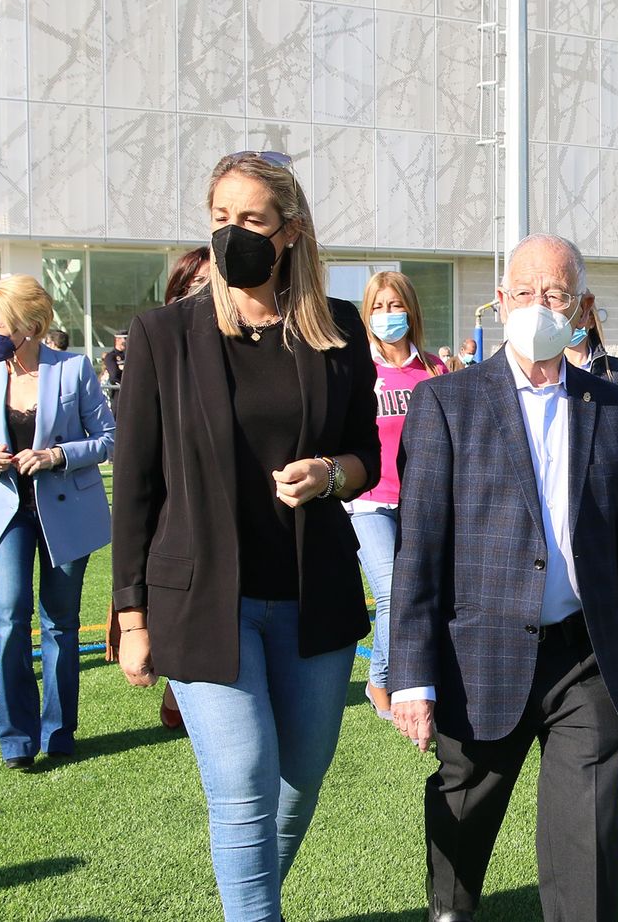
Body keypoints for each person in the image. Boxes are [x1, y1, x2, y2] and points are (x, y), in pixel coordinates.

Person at [112, 150, 380, 922]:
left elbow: (366, 453)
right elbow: (134, 485)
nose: (234, 235)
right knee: (244, 781)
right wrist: (132, 619)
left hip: (312, 597)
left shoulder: (337, 329)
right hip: (201, 599)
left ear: (290, 232)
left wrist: (329, 474)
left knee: (298, 784)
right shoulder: (163, 334)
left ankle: (250, 900)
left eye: (253, 220)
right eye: (221, 219)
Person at [389, 234, 618, 922]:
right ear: (501, 300)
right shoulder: (445, 403)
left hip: (586, 659)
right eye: (525, 292)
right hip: (479, 653)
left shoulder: (616, 408)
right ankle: (450, 910)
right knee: (465, 804)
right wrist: (411, 677)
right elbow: (419, 551)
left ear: (582, 308)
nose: (539, 306)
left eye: (557, 294)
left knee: (588, 835)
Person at [0, 275, 114, 769]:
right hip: (5, 510)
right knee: (8, 620)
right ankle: (16, 738)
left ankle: (58, 729)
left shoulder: (73, 369)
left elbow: (109, 439)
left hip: (67, 510)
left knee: (61, 624)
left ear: (29, 326)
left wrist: (55, 455)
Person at [111, 242, 212, 734]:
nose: (208, 296)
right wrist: (132, 621)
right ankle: (176, 680)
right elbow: (134, 481)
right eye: (196, 287)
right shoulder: (158, 345)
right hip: (173, 534)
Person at [351, 270, 445, 722]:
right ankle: (382, 681)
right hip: (368, 500)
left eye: (395, 305)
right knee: (392, 592)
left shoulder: (433, 370)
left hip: (422, 502)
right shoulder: (357, 369)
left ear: (411, 309)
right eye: (378, 307)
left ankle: (393, 677)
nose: (388, 316)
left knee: (421, 591)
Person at [564, 293, 618, 385]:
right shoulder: (548, 367)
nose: (571, 325)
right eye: (566, 318)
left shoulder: (614, 368)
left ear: (592, 321)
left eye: (578, 317)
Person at [101, 332, 127, 405]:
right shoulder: (111, 356)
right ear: (117, 339)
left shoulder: (130, 355)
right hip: (118, 394)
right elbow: (114, 375)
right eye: (124, 339)